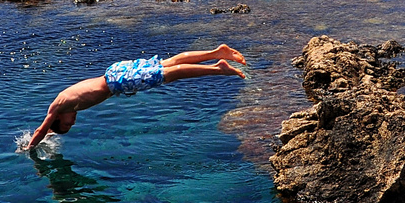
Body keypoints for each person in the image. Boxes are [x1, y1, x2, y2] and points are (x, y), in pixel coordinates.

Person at [21, 44, 247, 150]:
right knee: (167, 64)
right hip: (115, 72)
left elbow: (42, 128)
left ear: (59, 118)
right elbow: (48, 130)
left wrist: (29, 148)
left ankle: (218, 67)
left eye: (68, 125)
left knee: (169, 74)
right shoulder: (67, 103)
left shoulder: (57, 106)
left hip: (117, 81)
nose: (74, 122)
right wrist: (51, 135)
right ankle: (217, 53)